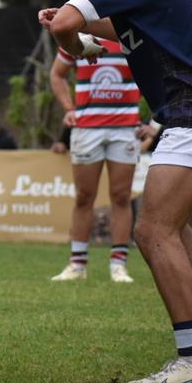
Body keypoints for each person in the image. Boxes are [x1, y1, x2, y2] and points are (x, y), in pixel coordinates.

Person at [39, 0, 192, 383]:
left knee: (153, 230)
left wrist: (75, 41)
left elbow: (65, 24)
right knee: (180, 227)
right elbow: (142, 23)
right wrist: (88, 27)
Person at [48, 39, 141, 283]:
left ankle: (118, 266)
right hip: (87, 129)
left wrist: (151, 119)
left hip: (126, 128)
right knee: (83, 197)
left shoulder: (131, 34)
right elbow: (57, 74)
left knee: (121, 197)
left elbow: (154, 70)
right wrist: (69, 108)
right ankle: (77, 265)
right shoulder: (78, 37)